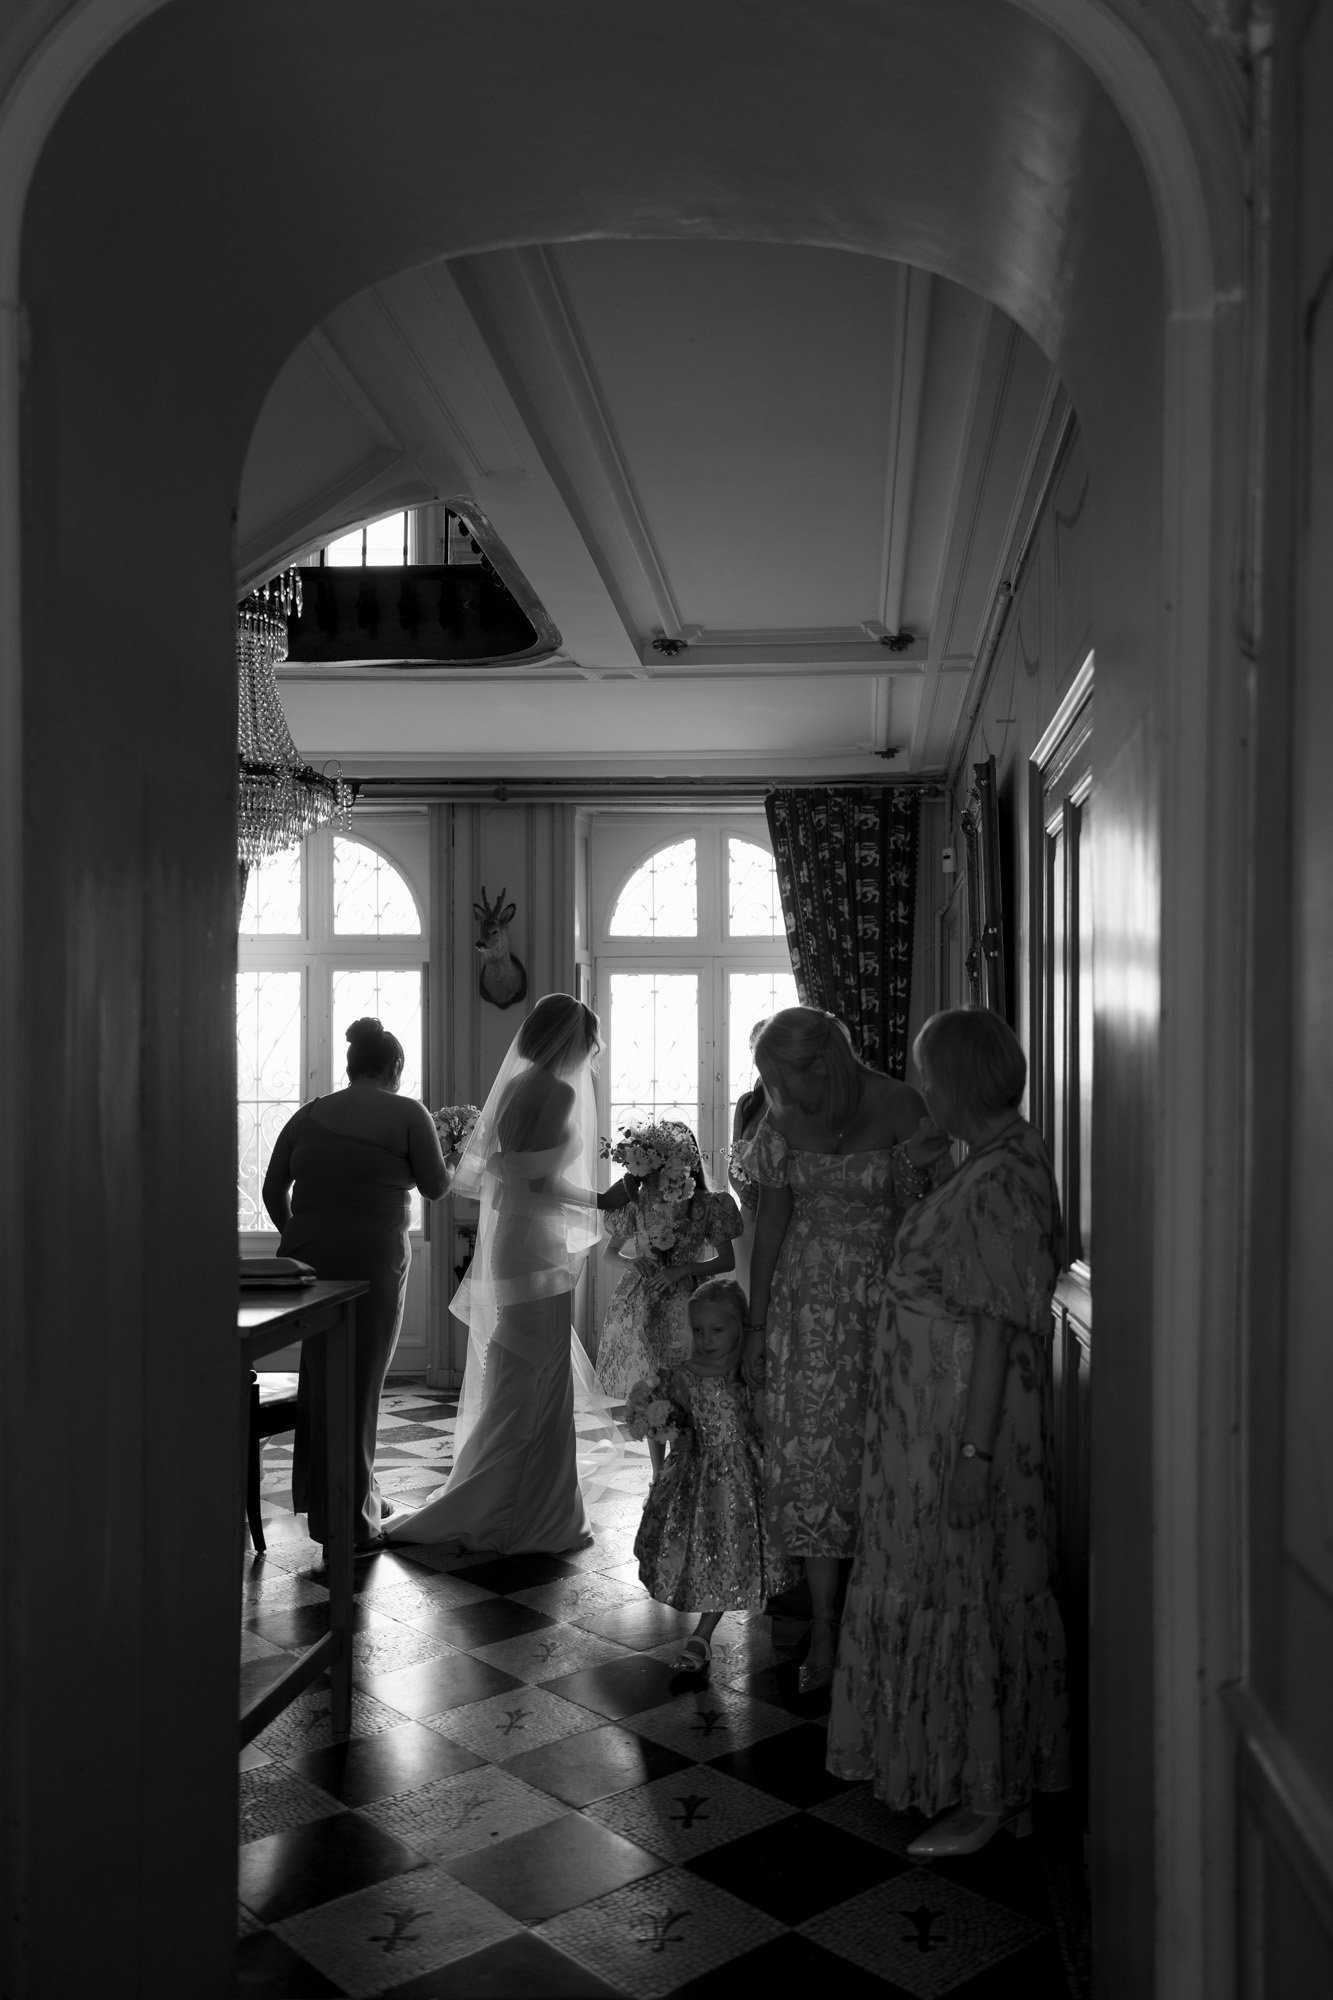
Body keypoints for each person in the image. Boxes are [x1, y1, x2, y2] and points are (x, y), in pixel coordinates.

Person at [826, 1006, 1070, 1857]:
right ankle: (999, 1777)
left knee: (965, 1588)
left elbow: (998, 1327)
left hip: (954, 1431)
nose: (920, 1086)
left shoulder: (1002, 1179)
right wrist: (935, 1161)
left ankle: (985, 1795)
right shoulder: (995, 1160)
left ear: (956, 1081)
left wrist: (971, 1456)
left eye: (929, 1074)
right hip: (927, 1423)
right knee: (972, 1586)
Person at [739, 1006, 949, 1689]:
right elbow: (770, 1225)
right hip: (804, 1313)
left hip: (887, 1310)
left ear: (821, 1063)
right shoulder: (780, 1122)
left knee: (880, 1456)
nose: (785, 1097)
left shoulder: (901, 1105)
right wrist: (756, 1325)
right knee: (812, 1465)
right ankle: (824, 1626)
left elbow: (932, 1212)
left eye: (788, 1079)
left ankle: (883, 1621)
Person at [386, 993, 608, 1556]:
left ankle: (517, 1501)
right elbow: (537, 1182)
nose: (594, 1051)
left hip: (517, 1240)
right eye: (590, 1040)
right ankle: (522, 1514)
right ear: (571, 1040)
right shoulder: (556, 1091)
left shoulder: (513, 1087)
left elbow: (509, 1174)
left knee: (519, 1370)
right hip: (535, 1246)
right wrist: (602, 1199)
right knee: (537, 1373)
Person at [263, 1016, 448, 1552]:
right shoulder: (408, 1113)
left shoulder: (310, 1113)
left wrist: (300, 1235)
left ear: (350, 1066)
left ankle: (349, 1494)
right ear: (395, 1067)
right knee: (362, 1382)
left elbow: (276, 1187)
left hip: (310, 1260)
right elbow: (435, 1188)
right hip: (371, 1260)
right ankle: (349, 1520)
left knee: (323, 1375)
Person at [632, 1277, 795, 1672]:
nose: (706, 1339)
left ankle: (701, 1637)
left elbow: (764, 1419)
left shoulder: (747, 1370)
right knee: (706, 1553)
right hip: (697, 1477)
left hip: (743, 1477)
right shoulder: (682, 1374)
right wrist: (655, 1416)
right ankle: (702, 1636)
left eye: (717, 1330)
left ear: (741, 1327)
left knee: (733, 1551)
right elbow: (671, 1421)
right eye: (699, 1330)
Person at [595, 1123, 743, 1477]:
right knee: (654, 1385)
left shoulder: (707, 1203)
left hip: (689, 1305)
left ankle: (686, 1466)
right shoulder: (636, 1200)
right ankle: (660, 1474)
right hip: (645, 1304)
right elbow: (609, 1254)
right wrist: (636, 1261)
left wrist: (682, 1269)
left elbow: (727, 1261)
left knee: (684, 1384)